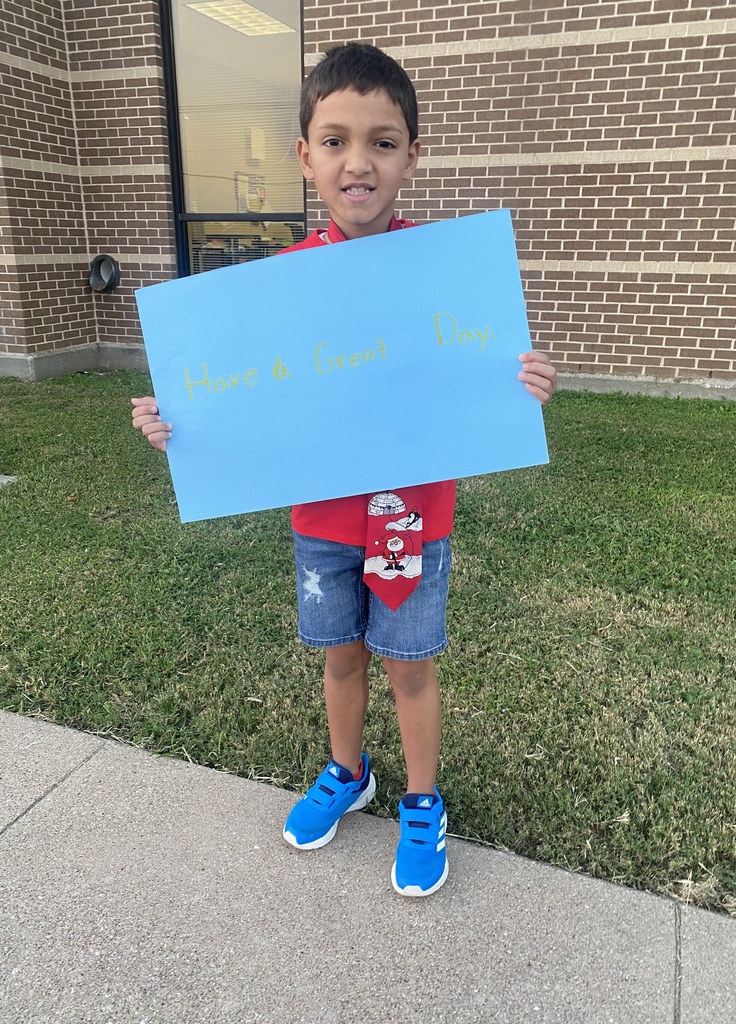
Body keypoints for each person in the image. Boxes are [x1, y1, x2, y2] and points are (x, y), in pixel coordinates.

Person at [132, 42, 557, 897]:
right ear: (304, 156)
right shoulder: (273, 291)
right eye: (334, 140)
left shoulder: (447, 276)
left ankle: (424, 802)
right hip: (322, 524)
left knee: (409, 664)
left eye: (382, 141)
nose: (357, 161)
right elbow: (234, 395)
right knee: (339, 658)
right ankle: (347, 771)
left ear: (411, 155)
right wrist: (176, 424)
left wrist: (524, 385)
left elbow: (480, 374)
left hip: (410, 518)